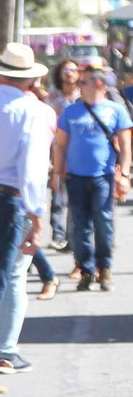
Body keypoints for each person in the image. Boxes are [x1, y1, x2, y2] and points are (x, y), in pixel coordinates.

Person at [0, 44, 58, 376]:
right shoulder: (35, 112)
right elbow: (32, 170)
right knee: (13, 274)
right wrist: (37, 217)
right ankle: (5, 351)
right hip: (9, 198)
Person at [53, 68, 133, 291]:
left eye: (85, 81)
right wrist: (57, 174)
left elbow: (126, 147)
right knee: (80, 227)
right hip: (75, 177)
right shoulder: (70, 112)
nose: (80, 84)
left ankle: (105, 268)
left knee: (104, 222)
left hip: (103, 177)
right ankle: (86, 270)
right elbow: (60, 145)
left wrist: (125, 175)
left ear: (99, 84)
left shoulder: (116, 110)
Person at [43, 61, 79, 252]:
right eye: (66, 70)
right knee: (57, 194)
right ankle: (58, 234)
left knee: (75, 196)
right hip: (57, 151)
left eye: (74, 70)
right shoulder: (52, 97)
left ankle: (72, 235)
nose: (70, 74)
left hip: (78, 152)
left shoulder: (83, 96)